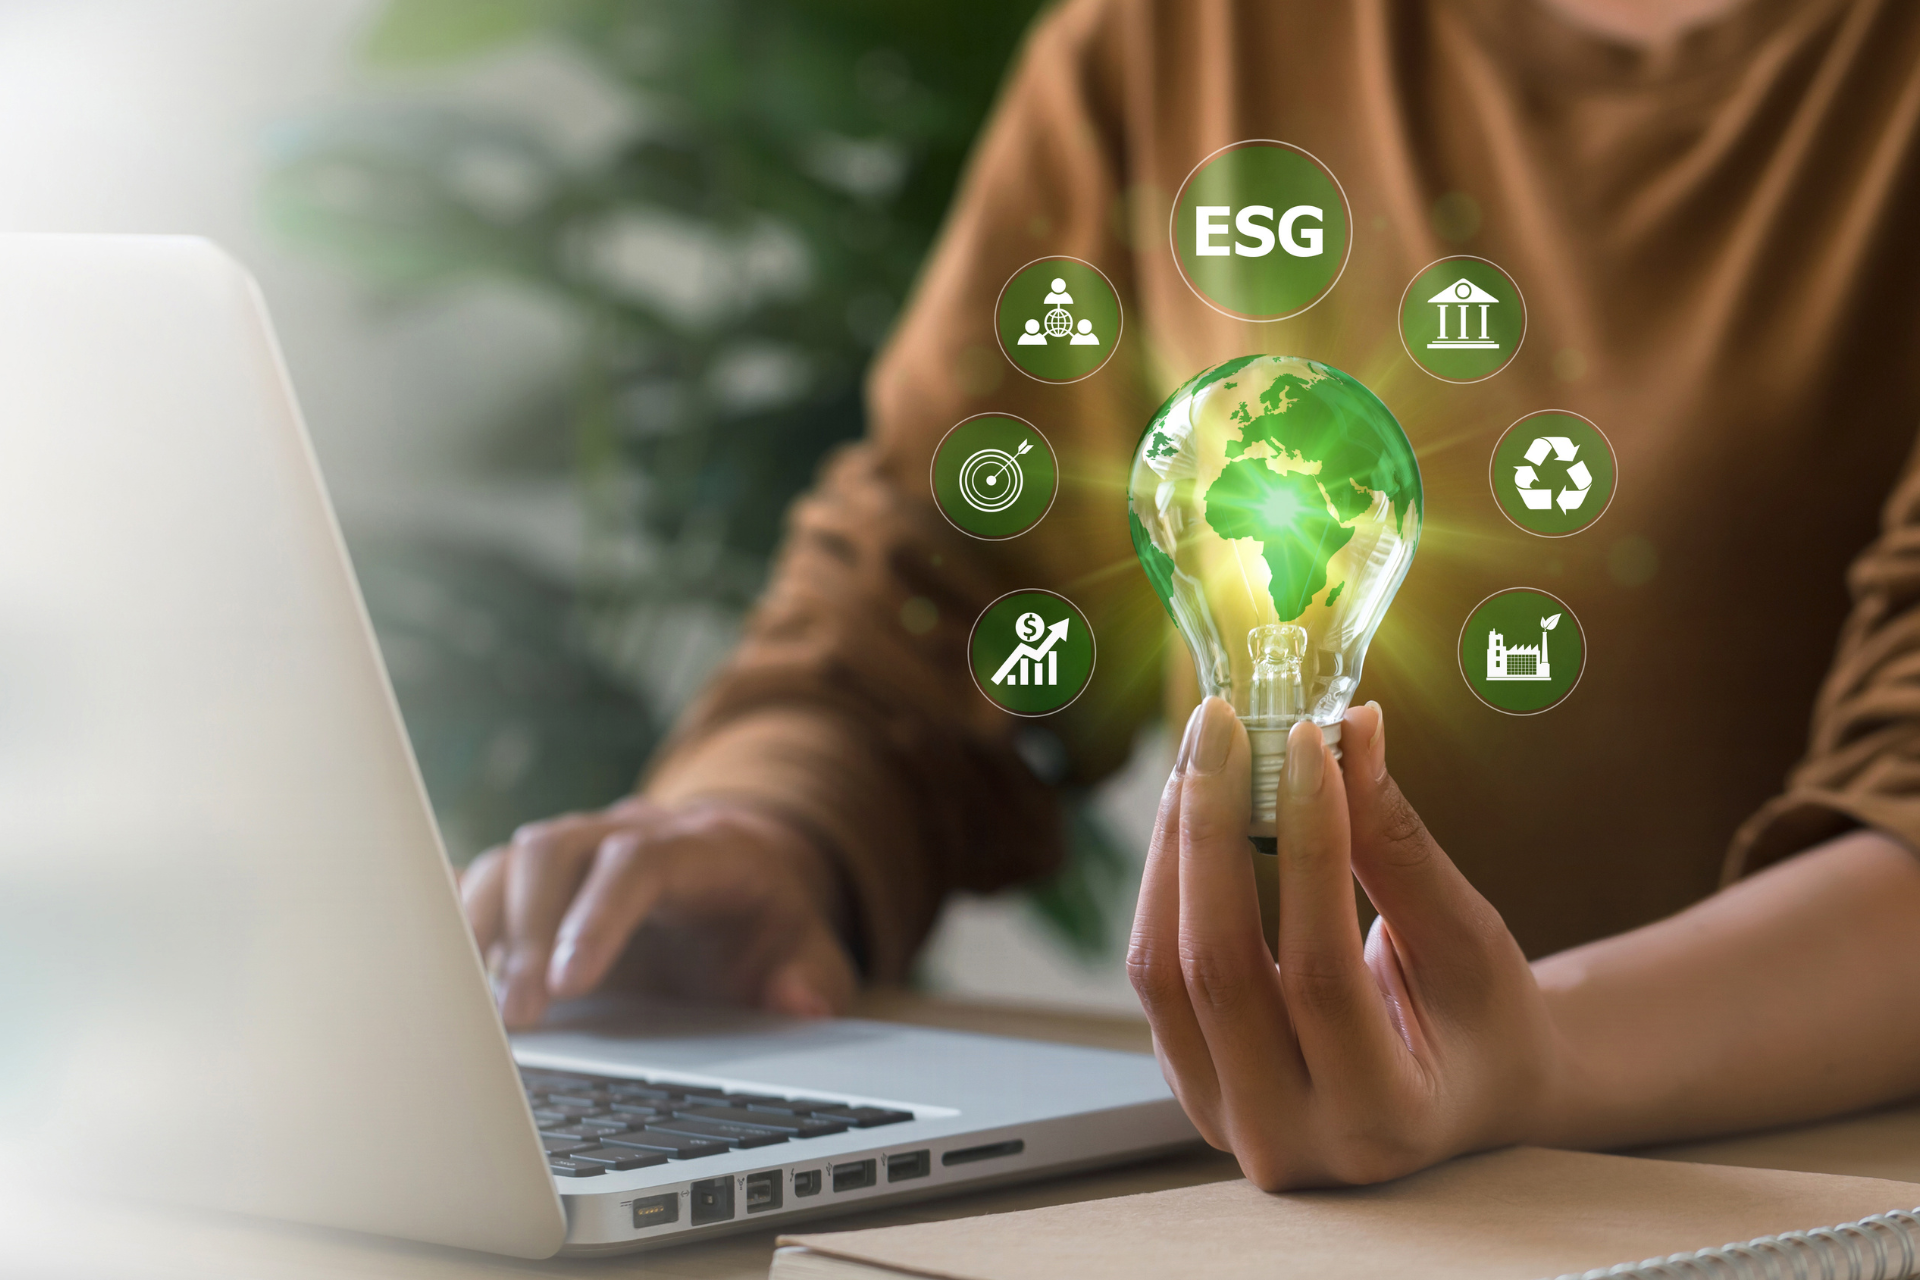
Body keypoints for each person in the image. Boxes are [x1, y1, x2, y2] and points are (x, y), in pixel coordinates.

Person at [459, 0, 1920, 1187]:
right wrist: (772, 829)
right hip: (1274, 1227)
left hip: (1790, 1209)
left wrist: (1531, 1054)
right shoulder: (1173, 38)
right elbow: (937, 577)